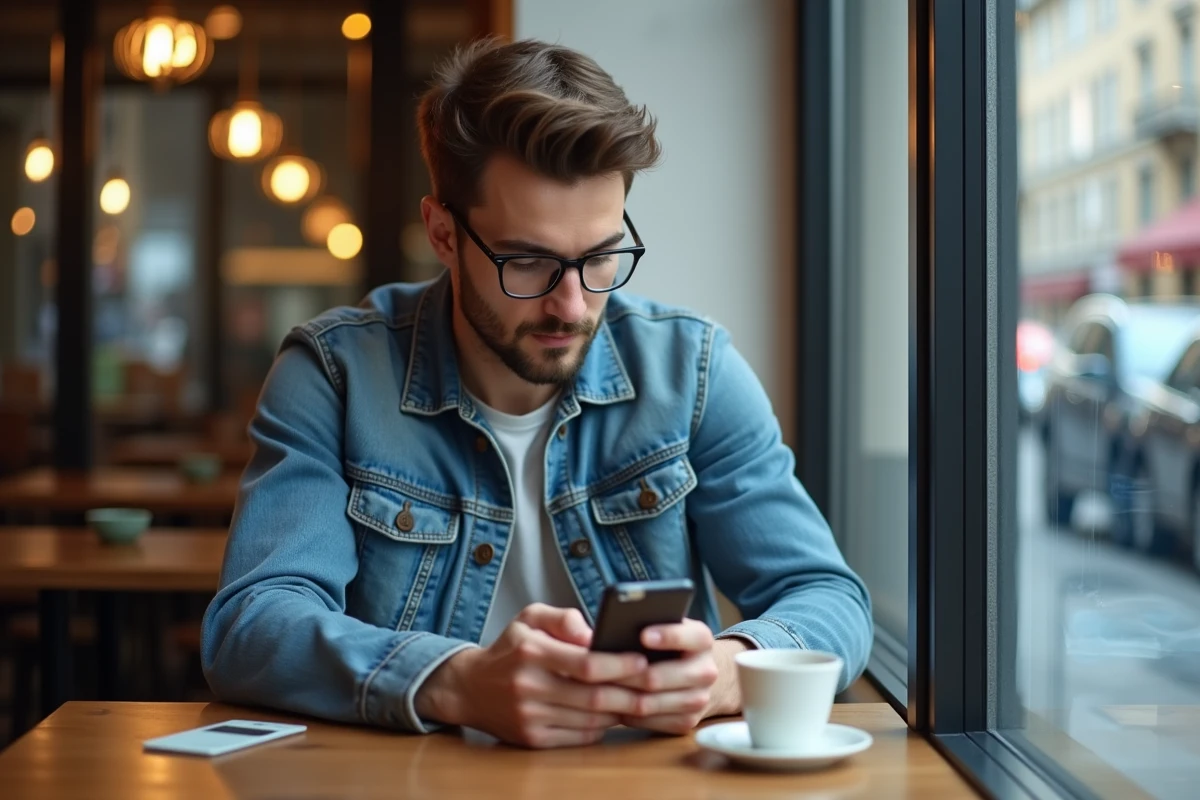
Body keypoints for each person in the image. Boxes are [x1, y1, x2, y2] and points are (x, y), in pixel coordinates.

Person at [202, 37, 872, 750]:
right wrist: (457, 681)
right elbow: (251, 624)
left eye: (602, 257)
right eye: (527, 261)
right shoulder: (334, 375)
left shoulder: (692, 371)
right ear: (443, 234)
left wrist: (728, 671)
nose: (572, 306)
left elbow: (830, 598)